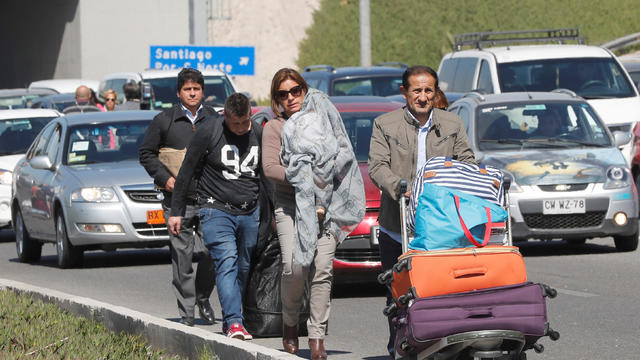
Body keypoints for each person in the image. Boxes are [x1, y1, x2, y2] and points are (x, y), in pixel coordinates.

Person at [368, 65, 476, 358]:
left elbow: (466, 160)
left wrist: (458, 180)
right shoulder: (385, 124)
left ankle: (441, 344)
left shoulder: (451, 123)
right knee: (399, 293)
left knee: (439, 290)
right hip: (396, 224)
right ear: (405, 92)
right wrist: (401, 188)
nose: (423, 96)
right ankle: (399, 346)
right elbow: (377, 166)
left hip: (440, 226)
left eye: (429, 90)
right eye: (417, 90)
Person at [262, 68, 365, 359]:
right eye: (284, 94)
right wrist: (303, 176)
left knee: (322, 270)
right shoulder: (275, 128)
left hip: (327, 206)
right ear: (277, 99)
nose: (291, 97)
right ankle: (290, 324)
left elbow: (342, 153)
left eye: (296, 90)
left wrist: (325, 174)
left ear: (305, 90)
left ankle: (316, 337)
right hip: (291, 207)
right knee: (294, 267)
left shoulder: (323, 120)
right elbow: (270, 168)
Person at [168, 92, 262, 341]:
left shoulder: (259, 133)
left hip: (250, 210)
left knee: (243, 266)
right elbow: (186, 170)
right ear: (225, 117)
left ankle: (234, 316)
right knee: (227, 260)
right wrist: (176, 211)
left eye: (245, 122)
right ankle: (233, 322)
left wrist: (271, 212)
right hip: (215, 208)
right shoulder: (209, 131)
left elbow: (265, 175)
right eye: (235, 124)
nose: (241, 128)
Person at [138, 68, 216, 327]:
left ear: (203, 91)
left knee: (214, 252)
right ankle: (187, 312)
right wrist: (165, 178)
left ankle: (203, 296)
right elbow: (146, 154)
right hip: (176, 202)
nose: (192, 93)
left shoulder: (213, 119)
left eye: (196, 89)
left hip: (209, 200)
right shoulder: (165, 120)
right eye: (187, 89)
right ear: (179, 93)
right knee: (182, 258)